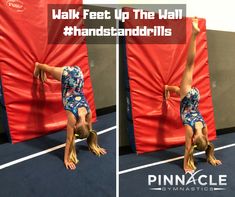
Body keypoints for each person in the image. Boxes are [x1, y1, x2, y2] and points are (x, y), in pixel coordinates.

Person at [164, 18, 221, 173]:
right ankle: (194, 35)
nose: (193, 142)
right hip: (188, 98)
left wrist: (211, 156)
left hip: (195, 97)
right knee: (190, 64)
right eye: (196, 143)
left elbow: (208, 144)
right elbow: (188, 148)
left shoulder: (204, 129)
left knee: (180, 90)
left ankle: (167, 88)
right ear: (196, 138)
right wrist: (186, 165)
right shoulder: (190, 131)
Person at [34, 62, 106, 170]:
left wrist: (94, 145)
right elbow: (69, 139)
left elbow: (90, 132)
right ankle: (38, 65)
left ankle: (42, 69)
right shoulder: (72, 117)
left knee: (50, 71)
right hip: (67, 77)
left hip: (78, 76)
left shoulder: (88, 113)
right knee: (48, 69)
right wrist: (66, 160)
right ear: (75, 127)